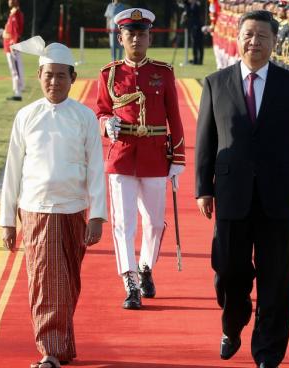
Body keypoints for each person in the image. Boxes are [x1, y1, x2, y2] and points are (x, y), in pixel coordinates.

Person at [195, 10, 289, 367]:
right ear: (238, 37)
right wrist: (204, 187)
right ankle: (233, 324)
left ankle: (268, 352)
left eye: (263, 36)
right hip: (232, 195)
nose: (255, 42)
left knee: (276, 279)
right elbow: (206, 140)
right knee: (229, 273)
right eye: (249, 34)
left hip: (278, 196)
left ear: (274, 42)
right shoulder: (216, 83)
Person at [0, 36, 107, 367]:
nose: (54, 81)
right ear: (39, 75)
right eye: (48, 74)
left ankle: (60, 347)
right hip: (35, 212)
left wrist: (97, 216)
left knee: (67, 284)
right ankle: (51, 351)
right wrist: (7, 220)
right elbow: (12, 170)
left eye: (62, 75)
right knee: (45, 283)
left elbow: (97, 169)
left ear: (73, 79)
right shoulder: (26, 116)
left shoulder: (84, 117)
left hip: (73, 211)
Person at [96, 8, 186, 310]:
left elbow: (175, 116)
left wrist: (178, 158)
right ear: (120, 37)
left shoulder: (164, 72)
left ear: (149, 37)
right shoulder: (109, 74)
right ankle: (130, 280)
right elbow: (100, 110)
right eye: (130, 34)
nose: (136, 39)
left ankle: (146, 265)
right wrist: (106, 123)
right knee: (123, 223)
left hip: (155, 155)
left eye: (142, 34)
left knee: (155, 223)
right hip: (121, 155)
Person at [3, 0, 25, 101]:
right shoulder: (12, 13)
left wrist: (14, 43)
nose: (9, 1)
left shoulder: (16, 14)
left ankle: (18, 92)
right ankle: (16, 90)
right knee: (14, 70)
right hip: (8, 45)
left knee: (16, 69)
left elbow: (17, 31)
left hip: (12, 46)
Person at [185, 0, 204, 65]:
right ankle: (195, 60)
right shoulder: (189, 5)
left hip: (198, 26)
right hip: (192, 26)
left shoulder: (197, 4)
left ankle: (200, 60)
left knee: (199, 44)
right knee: (194, 44)